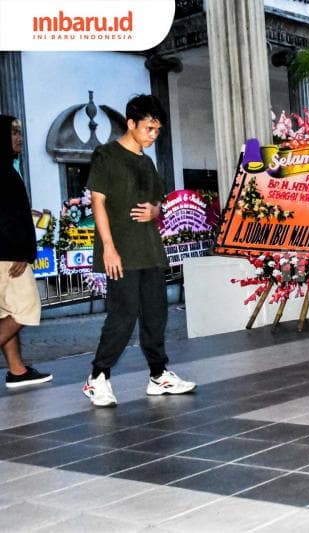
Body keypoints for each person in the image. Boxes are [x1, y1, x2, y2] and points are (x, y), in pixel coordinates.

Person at [82, 95, 195, 408]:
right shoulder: (106, 155)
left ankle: (158, 375)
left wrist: (155, 212)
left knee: (155, 314)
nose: (153, 135)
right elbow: (98, 203)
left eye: (157, 129)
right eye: (149, 128)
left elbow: (158, 203)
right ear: (131, 124)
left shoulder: (147, 162)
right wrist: (109, 249)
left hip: (149, 249)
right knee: (123, 314)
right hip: (121, 251)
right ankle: (97, 377)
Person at [0, 115, 53, 389]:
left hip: (7, 253)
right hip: (8, 256)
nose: (19, 138)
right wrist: (23, 252)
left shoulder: (9, 168)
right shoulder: (4, 171)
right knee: (25, 309)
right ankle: (17, 370)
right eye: (13, 133)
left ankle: (17, 370)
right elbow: (6, 218)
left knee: (4, 312)